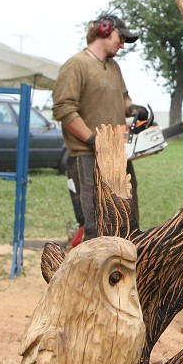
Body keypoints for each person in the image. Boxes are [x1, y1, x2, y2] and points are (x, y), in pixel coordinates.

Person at [52, 14, 149, 242]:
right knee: (94, 225)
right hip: (87, 156)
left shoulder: (113, 67)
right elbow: (64, 110)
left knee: (127, 219)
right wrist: (91, 140)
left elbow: (123, 98)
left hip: (116, 153)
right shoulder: (76, 65)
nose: (122, 44)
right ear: (104, 30)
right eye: (120, 37)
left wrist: (134, 109)